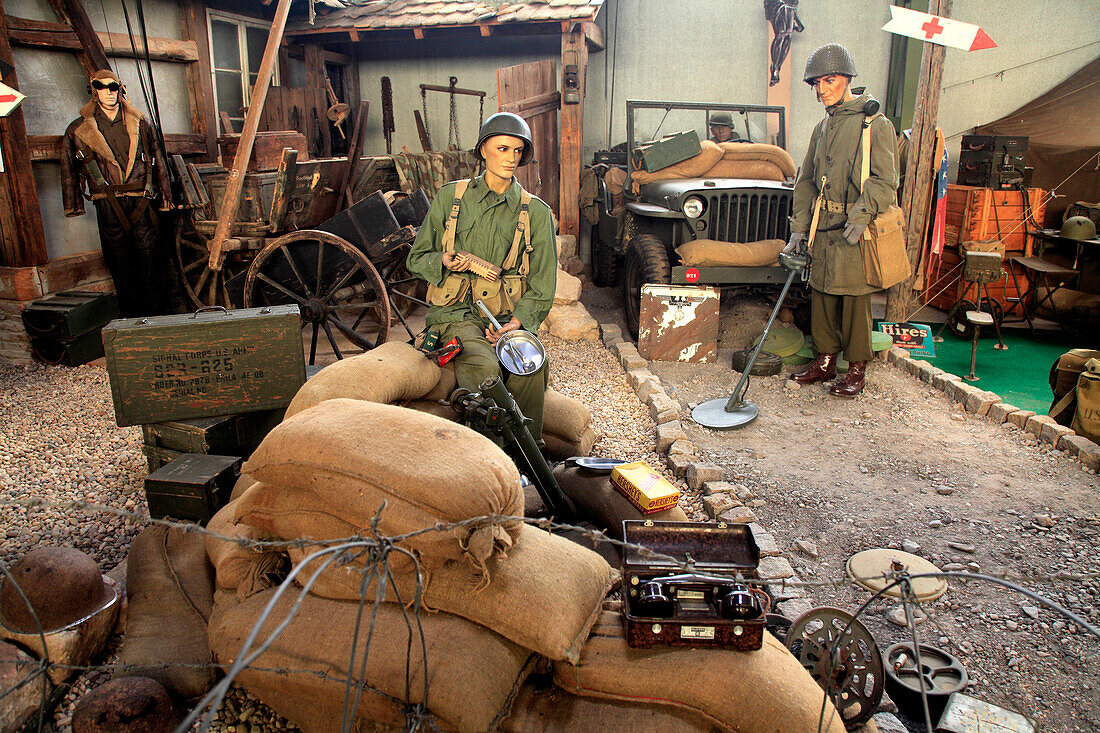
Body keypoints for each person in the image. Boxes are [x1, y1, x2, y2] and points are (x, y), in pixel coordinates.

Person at [406, 112, 557, 439]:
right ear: (483, 150)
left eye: (518, 151)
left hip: (505, 316)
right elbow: (416, 259)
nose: (511, 158)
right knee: (485, 369)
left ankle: (528, 457)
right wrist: (443, 259)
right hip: (455, 314)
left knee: (530, 368)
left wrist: (516, 324)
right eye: (503, 149)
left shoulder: (536, 213)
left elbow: (543, 285)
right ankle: (489, 455)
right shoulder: (451, 198)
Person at [785, 43, 899, 397]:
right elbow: (806, 182)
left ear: (847, 79)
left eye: (829, 80)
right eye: (816, 83)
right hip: (824, 226)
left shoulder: (874, 124)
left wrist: (862, 214)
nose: (822, 90)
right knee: (821, 296)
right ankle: (824, 362)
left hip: (855, 228)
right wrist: (799, 231)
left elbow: (886, 180)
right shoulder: (822, 128)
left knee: (854, 301)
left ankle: (857, 371)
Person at [61, 69, 172, 318]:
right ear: (94, 90)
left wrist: (166, 197)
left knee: (150, 260)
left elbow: (158, 160)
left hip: (141, 200)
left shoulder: (140, 123)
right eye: (102, 87)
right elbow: (68, 167)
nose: (109, 93)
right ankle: (130, 323)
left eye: (113, 87)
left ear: (119, 89)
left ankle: (159, 321)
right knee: (119, 263)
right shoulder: (78, 129)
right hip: (107, 202)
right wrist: (73, 203)